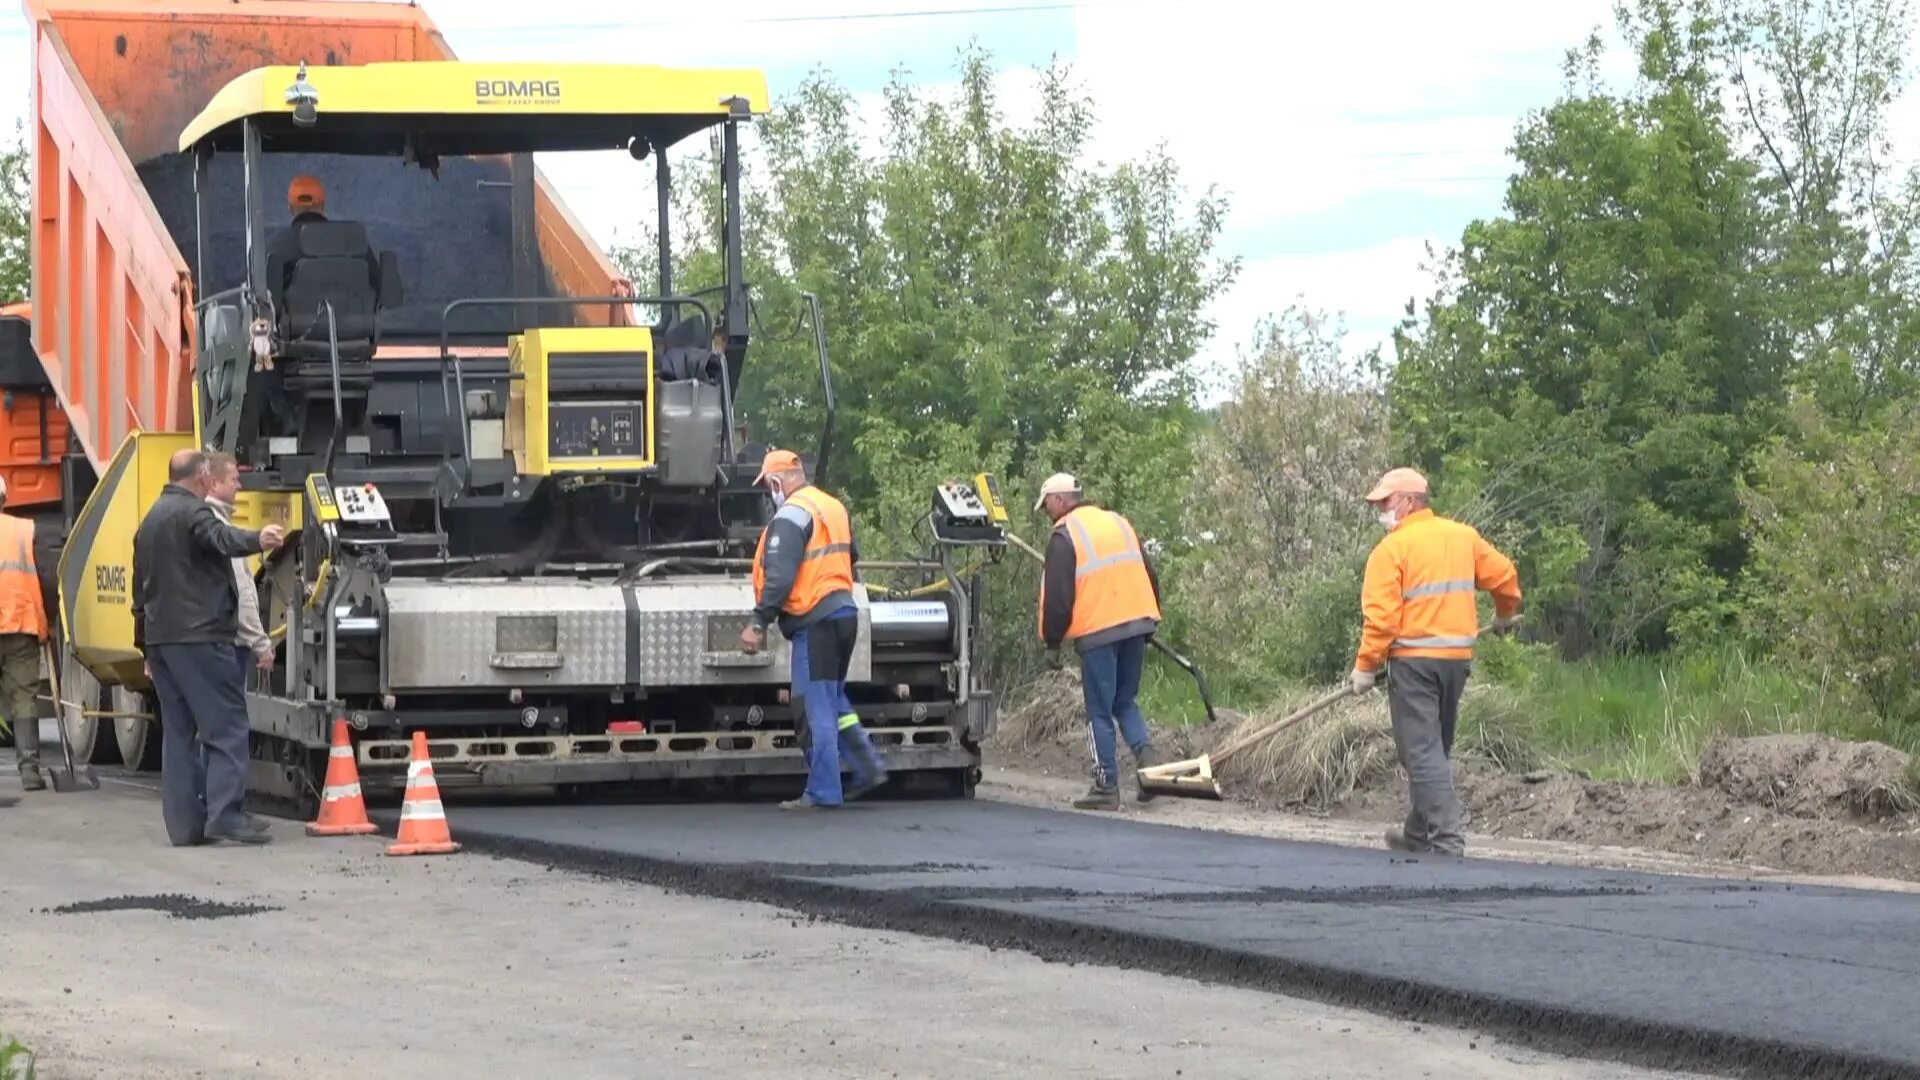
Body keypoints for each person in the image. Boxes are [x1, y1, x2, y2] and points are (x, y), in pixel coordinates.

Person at [1350, 467, 1521, 857]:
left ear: (1409, 501)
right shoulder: (1462, 537)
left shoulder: (1391, 551)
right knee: (1433, 748)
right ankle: (1418, 835)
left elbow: (1382, 619)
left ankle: (1446, 842)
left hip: (1414, 663)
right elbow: (1505, 576)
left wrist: (1364, 666)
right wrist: (1505, 614)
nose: (1379, 509)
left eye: (1385, 501)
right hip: (1454, 662)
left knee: (1421, 752)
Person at [132, 449, 285, 846]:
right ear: (202, 477)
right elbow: (220, 536)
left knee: (179, 733)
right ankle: (226, 815)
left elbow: (139, 593)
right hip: (200, 638)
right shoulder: (193, 513)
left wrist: (145, 647)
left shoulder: (148, 522)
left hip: (162, 642)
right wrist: (257, 539)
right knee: (227, 726)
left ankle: (185, 828)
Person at [738, 448, 887, 810]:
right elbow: (851, 557)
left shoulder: (791, 515)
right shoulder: (831, 507)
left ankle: (823, 792)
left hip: (815, 621)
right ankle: (867, 764)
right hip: (844, 612)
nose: (768, 494)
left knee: (812, 707)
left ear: (776, 481)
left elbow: (781, 576)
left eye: (767, 486)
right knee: (834, 698)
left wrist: (758, 621)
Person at [1035, 472, 1163, 811]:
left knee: (1099, 710)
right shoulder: (1118, 523)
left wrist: (1052, 642)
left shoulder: (1064, 536)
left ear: (1061, 500)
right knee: (1125, 701)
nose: (1046, 509)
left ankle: (1106, 786)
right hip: (1137, 621)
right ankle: (1148, 764)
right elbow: (1148, 573)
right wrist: (1151, 621)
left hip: (1099, 631)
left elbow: (1058, 597)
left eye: (1047, 502)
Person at [203, 454, 275, 680]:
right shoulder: (219, 528)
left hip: (214, 643)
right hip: (230, 646)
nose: (239, 486)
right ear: (214, 483)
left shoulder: (207, 521)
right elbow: (241, 592)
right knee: (232, 712)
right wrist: (261, 644)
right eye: (233, 480)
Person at [0, 476, 49, 804]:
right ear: (5, 497)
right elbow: (41, 578)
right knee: (24, 697)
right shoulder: (24, 529)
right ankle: (30, 770)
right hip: (19, 623)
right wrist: (45, 627)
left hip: (17, 621)